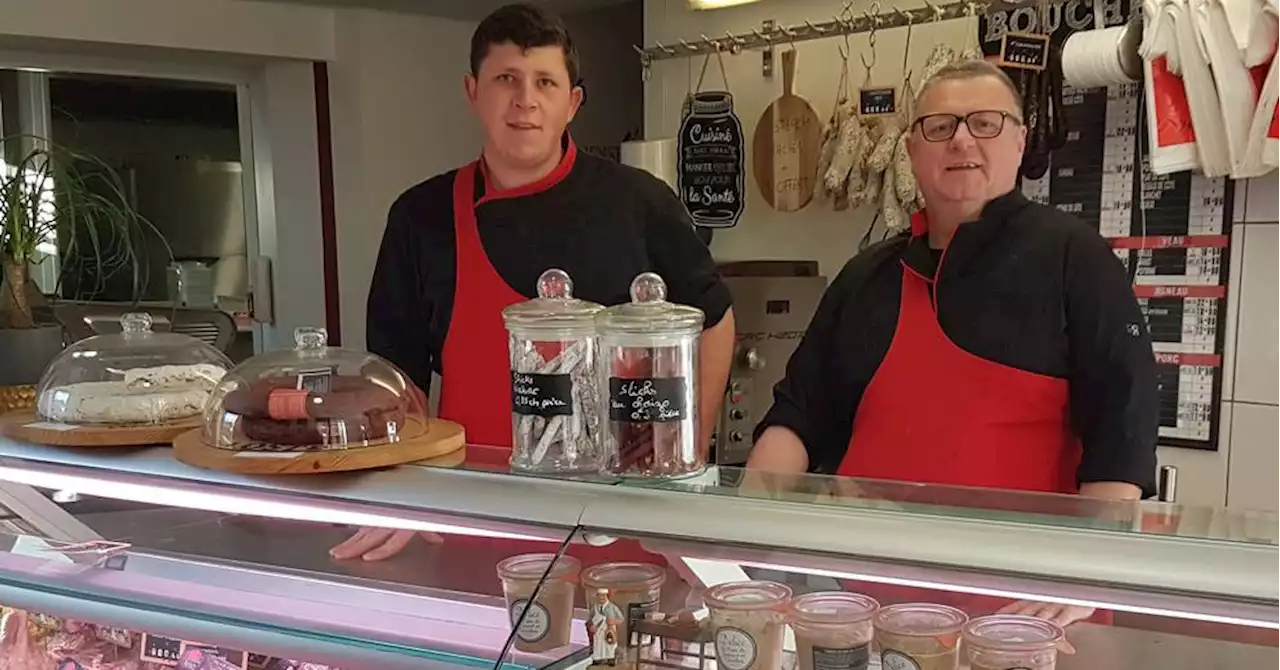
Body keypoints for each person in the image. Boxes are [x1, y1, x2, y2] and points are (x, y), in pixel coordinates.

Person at [746, 60, 1159, 625]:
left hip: (1021, 612)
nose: (961, 138)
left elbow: (1122, 425)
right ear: (913, 151)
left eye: (985, 123)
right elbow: (797, 417)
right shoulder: (867, 276)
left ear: (1019, 142)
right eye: (940, 127)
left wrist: (1088, 569)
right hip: (858, 603)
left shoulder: (1076, 260)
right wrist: (742, 530)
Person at [332, 3, 735, 562]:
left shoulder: (638, 202)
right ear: (473, 91)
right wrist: (403, 494)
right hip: (475, 518)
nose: (525, 100)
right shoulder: (420, 217)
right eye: (506, 79)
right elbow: (400, 386)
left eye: (545, 81)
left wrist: (682, 460)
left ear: (572, 103)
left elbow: (712, 321)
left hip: (621, 526)